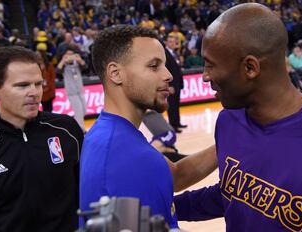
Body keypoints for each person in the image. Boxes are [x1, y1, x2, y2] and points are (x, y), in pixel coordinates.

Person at [174, 3, 302, 232]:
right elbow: (237, 194)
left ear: (250, 68)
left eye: (210, 65)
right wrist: (169, 208)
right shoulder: (229, 121)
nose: (204, 77)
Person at [80, 26, 217, 229]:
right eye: (154, 66)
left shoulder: (107, 134)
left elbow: (175, 175)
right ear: (116, 73)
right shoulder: (128, 156)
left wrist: (226, 143)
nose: (168, 75)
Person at [0, 46, 84, 231]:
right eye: (22, 85)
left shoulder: (67, 129)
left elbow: (87, 190)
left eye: (38, 84)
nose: (34, 92)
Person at [57, 44, 87, 131]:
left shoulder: (77, 62)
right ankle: (81, 130)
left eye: (71, 54)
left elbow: (85, 67)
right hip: (71, 92)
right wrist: (63, 60)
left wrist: (79, 59)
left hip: (80, 90)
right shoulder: (63, 65)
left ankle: (75, 126)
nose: (70, 56)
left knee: (84, 111)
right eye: (68, 54)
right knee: (78, 112)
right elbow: (57, 71)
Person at [165, 35, 187, 132]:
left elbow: (177, 70)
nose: (173, 43)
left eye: (174, 42)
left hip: (177, 84)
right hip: (171, 85)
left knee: (176, 104)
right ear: (167, 43)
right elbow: (165, 71)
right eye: (171, 42)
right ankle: (172, 126)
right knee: (171, 105)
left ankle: (177, 123)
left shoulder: (174, 53)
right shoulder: (165, 54)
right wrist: (168, 85)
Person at [36, 43, 56, 112]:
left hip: (49, 90)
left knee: (50, 108)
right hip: (41, 91)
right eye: (36, 55)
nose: (37, 56)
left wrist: (48, 86)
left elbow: (53, 77)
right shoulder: (35, 66)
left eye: (38, 54)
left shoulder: (49, 65)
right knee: (44, 108)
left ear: (42, 55)